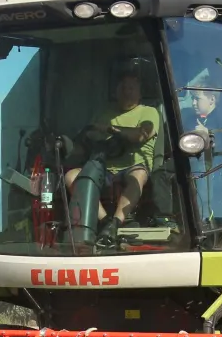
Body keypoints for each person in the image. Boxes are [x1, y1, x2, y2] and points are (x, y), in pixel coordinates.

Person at [64, 67, 161, 246]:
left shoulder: (149, 112)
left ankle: (117, 220)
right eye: (123, 88)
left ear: (139, 92)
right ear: (116, 91)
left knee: (137, 176)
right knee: (71, 177)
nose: (127, 92)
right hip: (103, 166)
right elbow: (88, 137)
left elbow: (142, 135)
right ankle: (106, 221)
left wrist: (110, 129)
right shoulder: (104, 112)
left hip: (133, 165)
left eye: (131, 88)